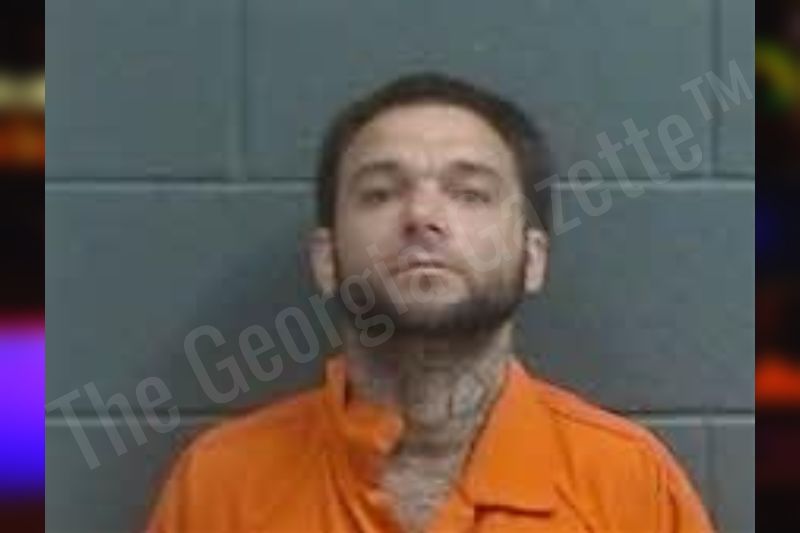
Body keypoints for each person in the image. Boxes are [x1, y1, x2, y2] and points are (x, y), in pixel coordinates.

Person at [147, 73, 713, 532]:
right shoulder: (221, 484)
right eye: (380, 193)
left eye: (470, 193)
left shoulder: (629, 484)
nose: (422, 216)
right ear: (326, 259)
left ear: (533, 257)